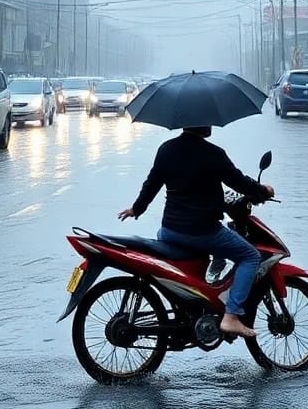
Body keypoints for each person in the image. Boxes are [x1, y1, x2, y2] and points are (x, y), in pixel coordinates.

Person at [117, 126, 275, 339]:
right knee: (250, 256)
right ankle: (231, 316)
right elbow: (238, 181)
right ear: (201, 124)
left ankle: (194, 305)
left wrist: (137, 208)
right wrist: (263, 190)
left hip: (169, 231)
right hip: (202, 231)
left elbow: (152, 183)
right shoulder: (213, 153)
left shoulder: (166, 149)